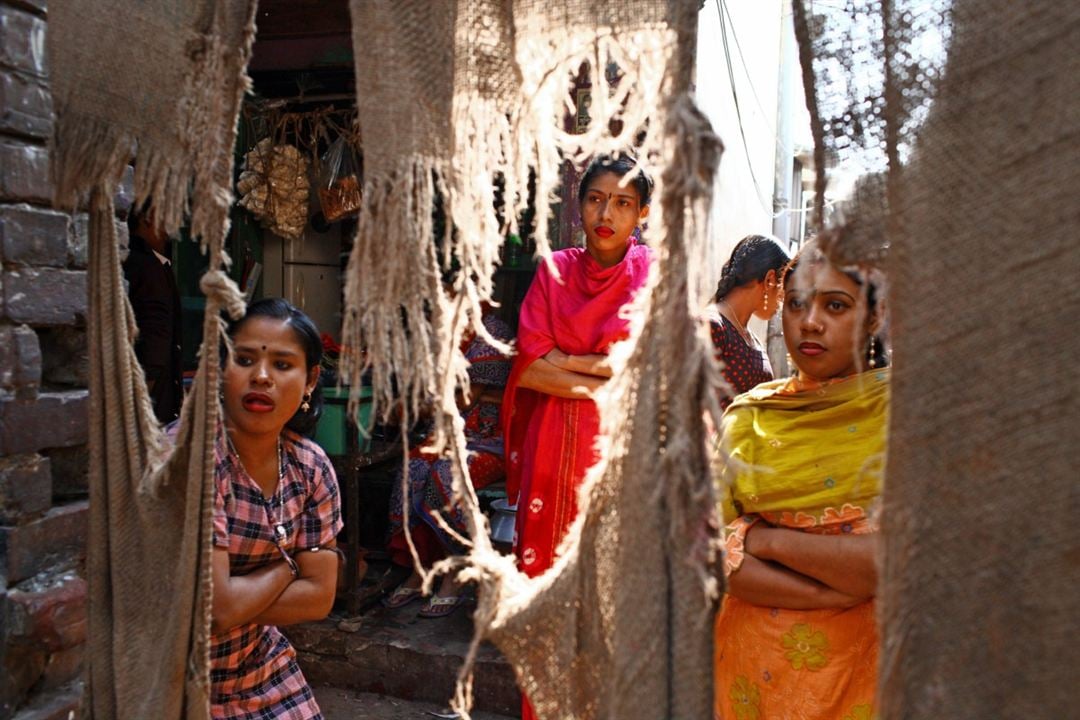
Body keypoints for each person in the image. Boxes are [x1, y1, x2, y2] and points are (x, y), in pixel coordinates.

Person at [502, 154, 653, 720]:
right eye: (595, 199)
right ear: (579, 205)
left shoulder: (652, 275)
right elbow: (530, 368)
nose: (606, 212)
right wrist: (600, 369)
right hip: (550, 452)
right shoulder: (554, 270)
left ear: (640, 212)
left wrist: (564, 359)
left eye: (622, 202)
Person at [712, 242, 889, 720]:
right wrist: (831, 591)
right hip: (753, 677)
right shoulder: (749, 417)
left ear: (875, 317)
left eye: (835, 305)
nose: (810, 322)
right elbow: (710, 559)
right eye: (796, 303)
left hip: (867, 677)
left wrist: (762, 540)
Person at [205, 297, 342, 719]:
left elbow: (319, 598)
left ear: (311, 379)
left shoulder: (310, 467)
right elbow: (219, 606)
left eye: (282, 365)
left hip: (259, 666)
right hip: (174, 673)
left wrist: (228, 602)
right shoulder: (193, 461)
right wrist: (289, 567)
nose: (261, 377)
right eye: (244, 360)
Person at [382, 307, 513, 617]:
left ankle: (455, 572)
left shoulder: (492, 331)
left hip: (489, 439)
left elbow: (464, 398)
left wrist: (426, 402)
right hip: (444, 434)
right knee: (410, 471)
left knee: (445, 475)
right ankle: (420, 568)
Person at [709, 234, 790, 407]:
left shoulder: (751, 338)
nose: (782, 303)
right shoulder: (712, 327)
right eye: (783, 292)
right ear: (769, 280)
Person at [124, 202, 184, 423]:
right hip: (149, 399)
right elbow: (155, 335)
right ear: (149, 217)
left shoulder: (151, 262)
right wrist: (147, 393)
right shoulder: (147, 266)